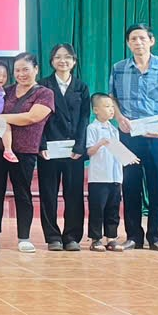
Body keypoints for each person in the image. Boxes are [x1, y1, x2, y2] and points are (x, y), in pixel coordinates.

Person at [109, 23, 158, 251]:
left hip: (157, 135)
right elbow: (112, 97)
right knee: (130, 186)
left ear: (151, 40)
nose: (138, 43)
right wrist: (119, 117)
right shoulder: (119, 68)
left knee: (157, 186)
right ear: (128, 43)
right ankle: (133, 236)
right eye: (133, 39)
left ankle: (156, 236)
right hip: (128, 135)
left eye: (142, 38)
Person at [0, 53, 54, 252]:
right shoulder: (4, 91)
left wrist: (0, 118)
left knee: (23, 193)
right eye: (17, 70)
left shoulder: (45, 93)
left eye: (26, 69)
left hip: (25, 151)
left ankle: (24, 238)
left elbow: (31, 117)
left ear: (36, 69)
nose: (21, 74)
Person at [37, 44, 92, 251]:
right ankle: (52, 237)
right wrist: (41, 144)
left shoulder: (81, 87)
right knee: (48, 194)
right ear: (51, 61)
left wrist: (80, 146)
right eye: (58, 57)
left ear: (74, 61)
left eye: (67, 57)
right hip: (48, 149)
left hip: (73, 150)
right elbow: (38, 120)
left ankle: (71, 237)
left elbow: (85, 118)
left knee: (74, 194)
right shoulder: (43, 86)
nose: (63, 61)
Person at [86, 93, 135, 251]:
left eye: (112, 107)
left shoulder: (114, 130)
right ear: (96, 110)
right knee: (97, 209)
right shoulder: (92, 128)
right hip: (99, 177)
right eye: (107, 106)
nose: (111, 110)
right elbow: (89, 151)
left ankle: (111, 238)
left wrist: (129, 158)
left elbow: (118, 151)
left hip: (115, 176)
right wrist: (100, 143)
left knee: (113, 209)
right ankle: (96, 239)